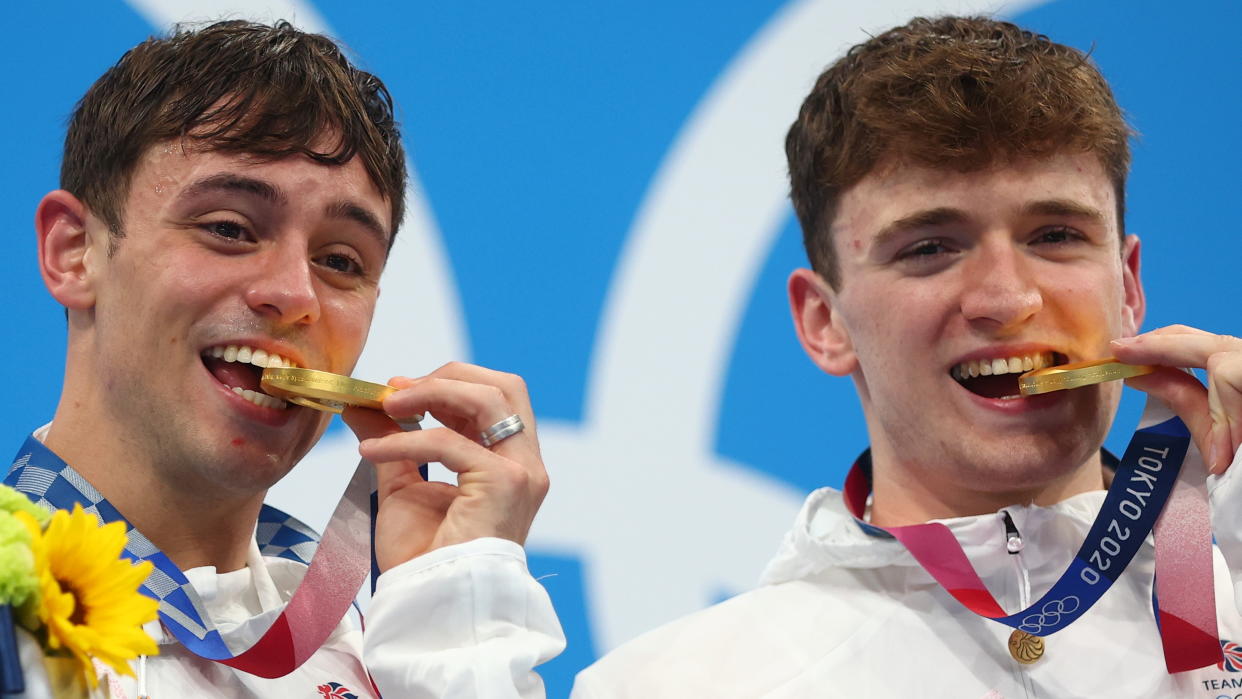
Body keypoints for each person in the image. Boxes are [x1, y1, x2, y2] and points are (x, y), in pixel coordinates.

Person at [572, 15, 1242, 697]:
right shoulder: (676, 684)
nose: (1007, 298)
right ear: (824, 321)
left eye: (1056, 234)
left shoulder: (1230, 588)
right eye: (930, 248)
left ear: (1128, 289)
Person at [15, 19, 564, 697]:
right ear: (74, 252)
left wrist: (452, 619)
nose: (295, 294)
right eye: (228, 228)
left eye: (340, 261)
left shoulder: (377, 651)